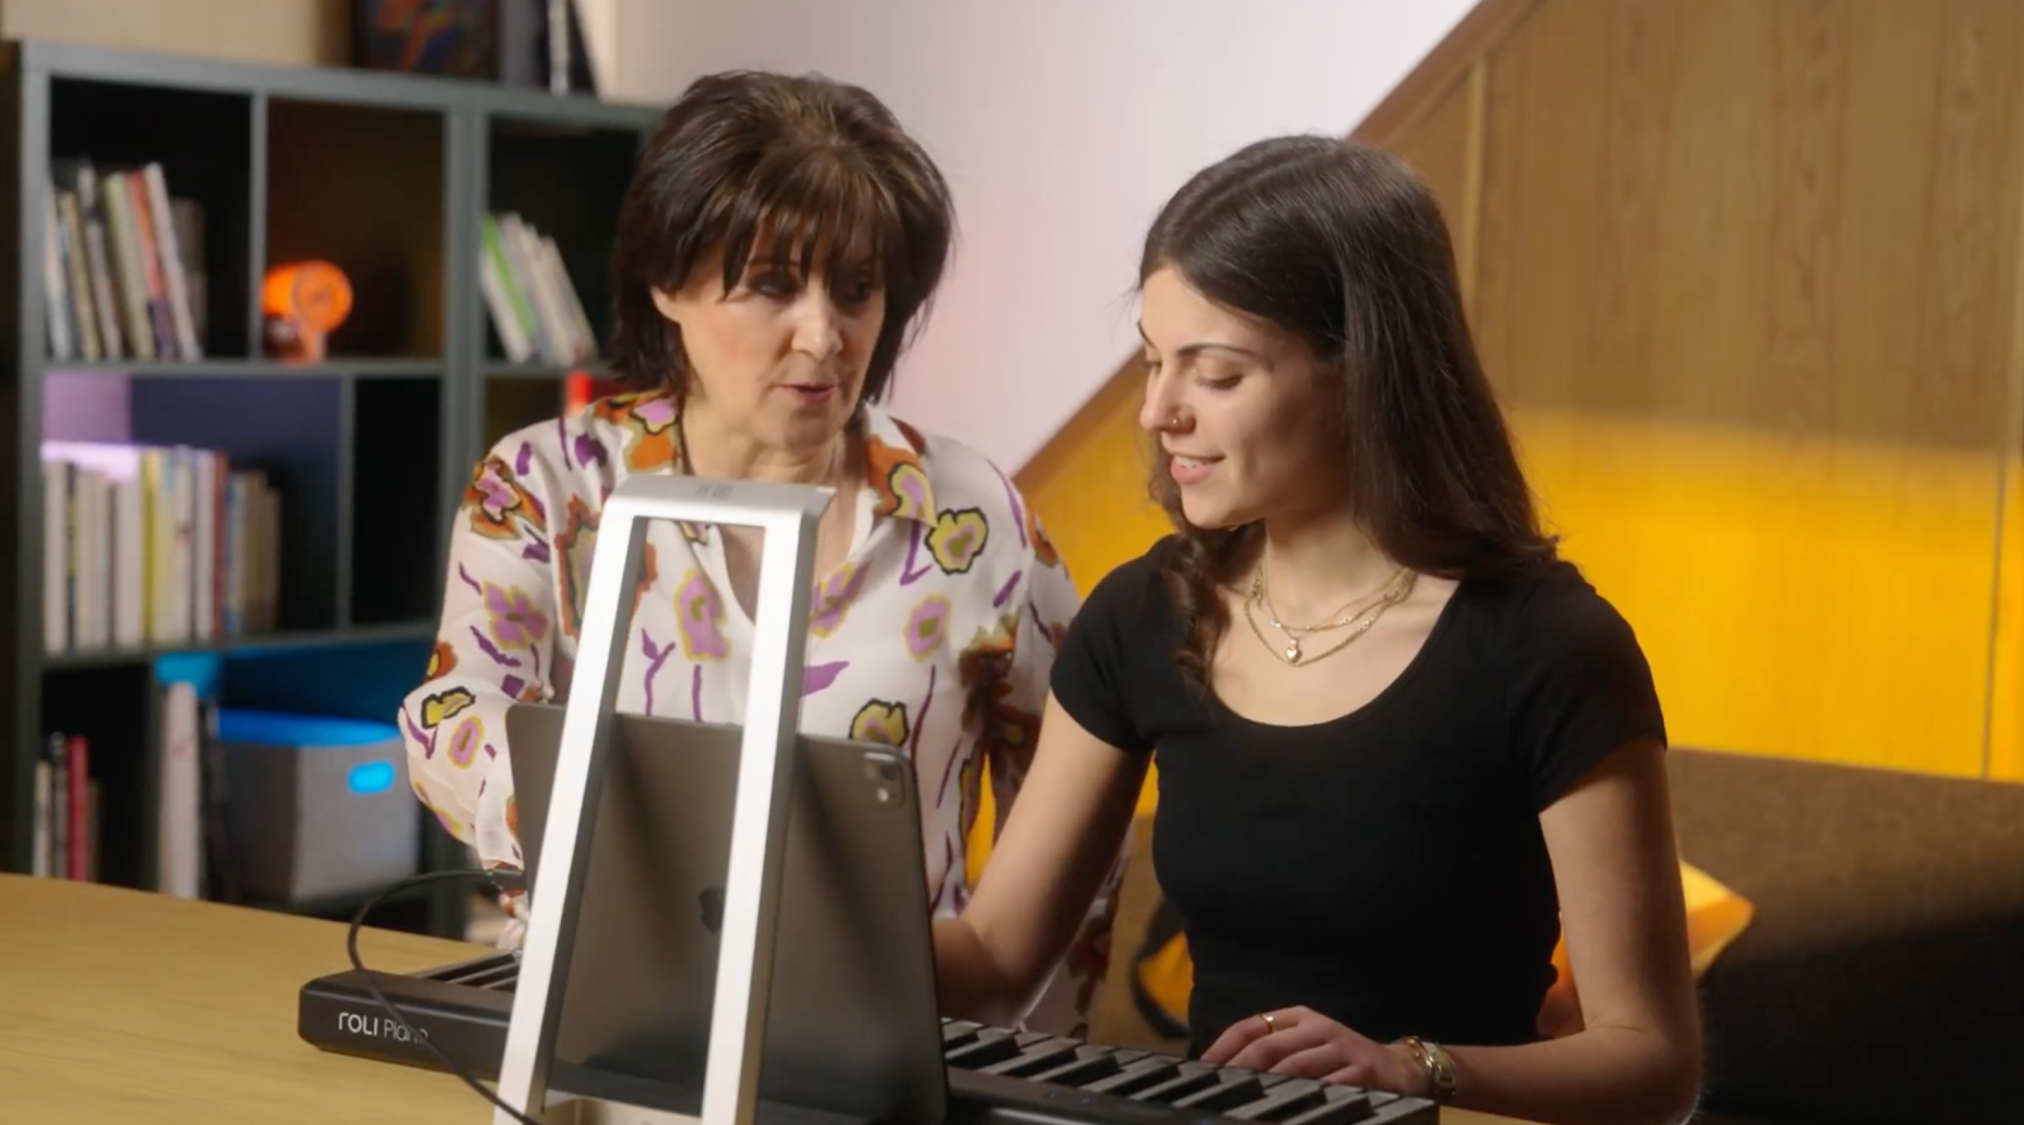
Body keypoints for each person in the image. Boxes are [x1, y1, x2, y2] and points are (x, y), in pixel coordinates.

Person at [930, 135, 1703, 1125]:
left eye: (1212, 375)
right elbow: (995, 963)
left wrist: (1411, 1069)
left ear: (1357, 370)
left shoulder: (1549, 648)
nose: (1157, 413)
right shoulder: (1142, 617)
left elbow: (1650, 1065)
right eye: (1152, 364)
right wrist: (772, 929)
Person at [397, 69, 1111, 1036]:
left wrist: (1027, 1063)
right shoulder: (548, 485)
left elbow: (1073, 813)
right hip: (593, 1024)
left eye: (856, 289)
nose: (825, 334)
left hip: (879, 1048)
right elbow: (451, 715)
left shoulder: (969, 514)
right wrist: (601, 832)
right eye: (772, 284)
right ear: (668, 282)